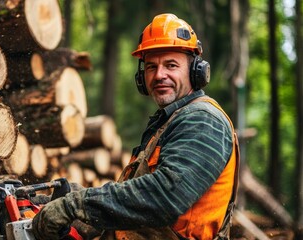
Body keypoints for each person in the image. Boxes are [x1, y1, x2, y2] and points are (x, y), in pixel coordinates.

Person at [32, 13, 240, 240]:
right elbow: (136, 198)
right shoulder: (168, 122)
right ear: (142, 76)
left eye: (171, 65)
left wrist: (78, 205)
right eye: (151, 67)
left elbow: (164, 197)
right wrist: (83, 198)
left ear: (195, 71)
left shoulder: (203, 120)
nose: (160, 75)